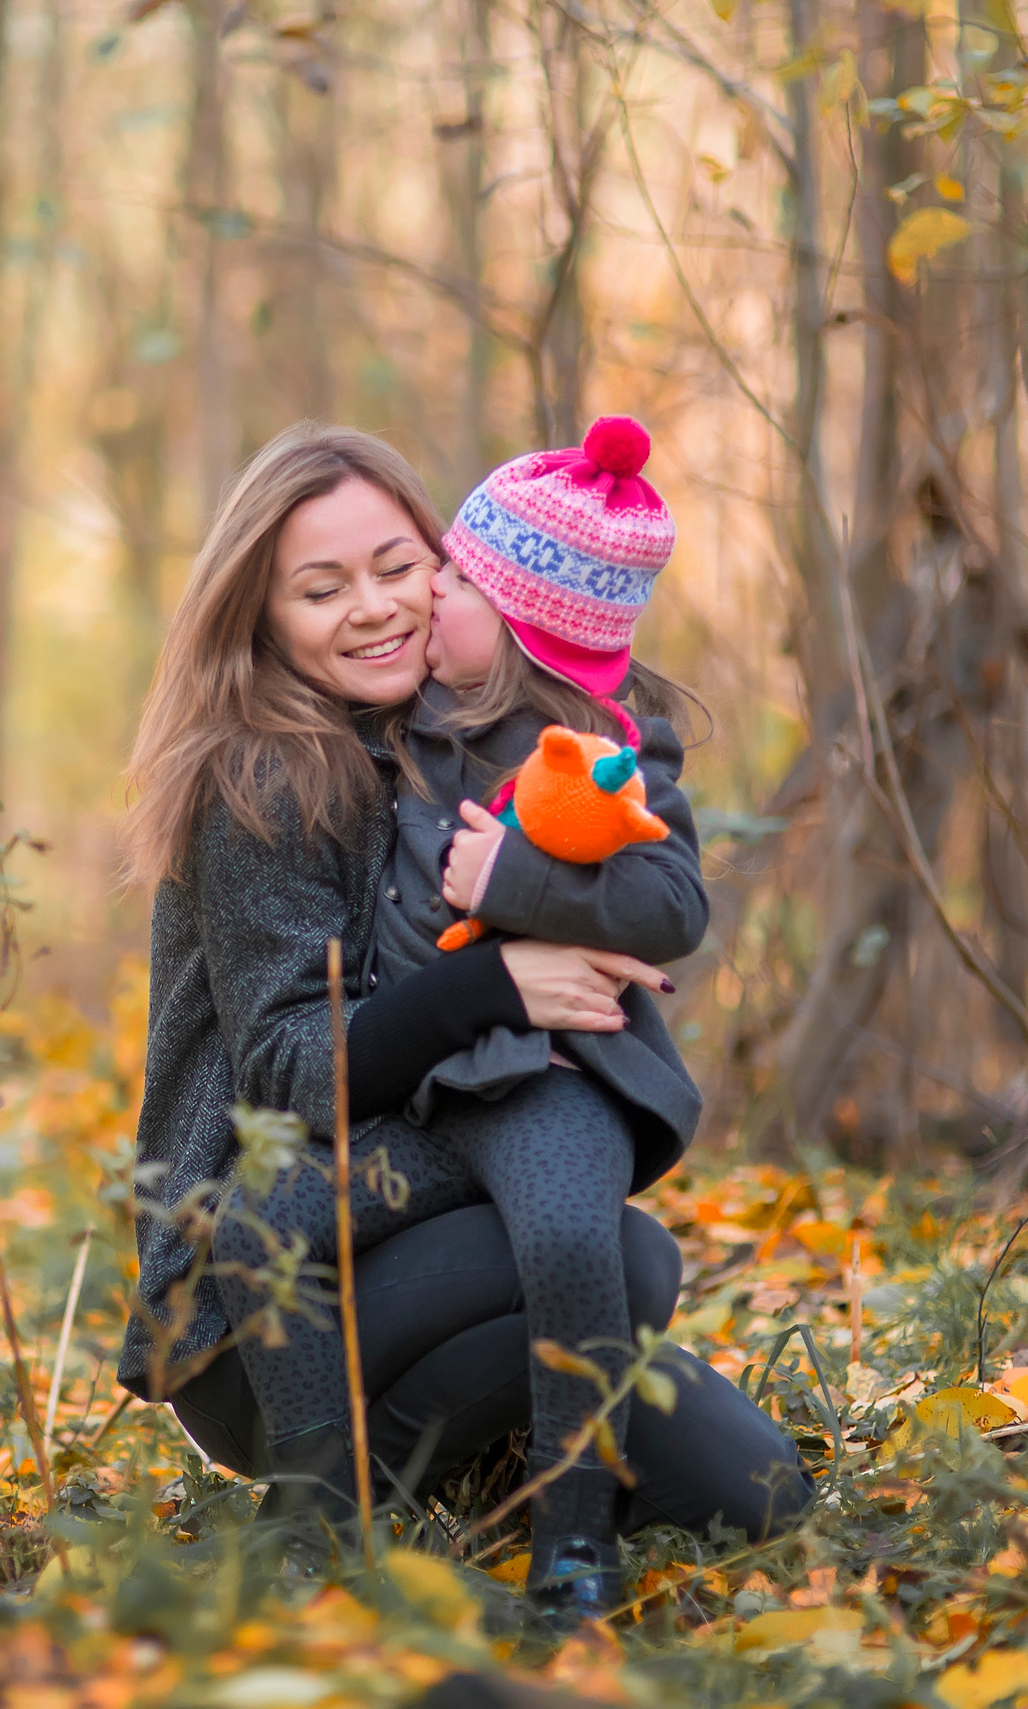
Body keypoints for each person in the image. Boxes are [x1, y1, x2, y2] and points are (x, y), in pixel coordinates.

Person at [115, 423, 809, 1617]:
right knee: (627, 1256)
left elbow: (638, 843)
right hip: (257, 1303)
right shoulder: (258, 778)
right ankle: (326, 1524)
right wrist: (497, 985)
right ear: (260, 615)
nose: (374, 607)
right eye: (320, 588)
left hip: (434, 1212)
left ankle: (502, 1467)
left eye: (398, 566)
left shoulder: (469, 728)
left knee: (757, 1489)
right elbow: (291, 1069)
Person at [357, 415, 715, 1612]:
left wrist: (512, 881)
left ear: (515, 622)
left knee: (568, 1242)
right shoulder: (396, 718)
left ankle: (573, 1529)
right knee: (280, 1214)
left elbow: (672, 904)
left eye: (454, 579)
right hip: (421, 1073)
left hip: (547, 1077)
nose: (428, 591)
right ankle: (320, 1494)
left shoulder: (610, 753)